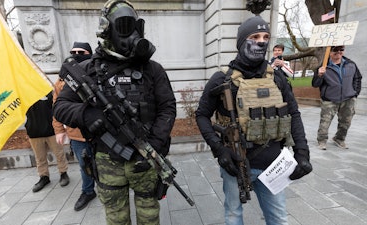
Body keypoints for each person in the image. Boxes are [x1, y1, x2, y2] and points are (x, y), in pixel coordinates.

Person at [53, 0, 176, 224]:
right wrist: (85, 114)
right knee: (116, 219)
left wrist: (156, 144)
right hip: (106, 158)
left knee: (149, 216)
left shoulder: (152, 69)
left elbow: (168, 107)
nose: (132, 34)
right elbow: (60, 107)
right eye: (124, 26)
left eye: (135, 26)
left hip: (145, 158)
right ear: (107, 29)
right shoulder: (87, 70)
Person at [196, 16, 312, 225]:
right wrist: (219, 150)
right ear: (241, 42)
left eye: (266, 37)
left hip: (274, 166)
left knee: (279, 219)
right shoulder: (221, 79)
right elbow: (202, 115)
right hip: (236, 163)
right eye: (255, 36)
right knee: (233, 216)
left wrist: (302, 152)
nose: (261, 41)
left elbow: (294, 113)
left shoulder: (277, 78)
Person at [52, 41, 96, 211]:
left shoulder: (96, 72)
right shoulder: (62, 80)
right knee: (85, 166)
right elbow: (56, 106)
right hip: (76, 133)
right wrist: (59, 130)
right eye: (73, 51)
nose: (76, 54)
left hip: (100, 131)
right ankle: (88, 191)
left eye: (81, 52)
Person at [312, 45, 362, 150]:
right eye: (335, 50)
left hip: (348, 99)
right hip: (330, 99)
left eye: (341, 50)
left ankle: (339, 139)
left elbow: (357, 78)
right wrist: (319, 75)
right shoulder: (323, 67)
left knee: (346, 122)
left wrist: (355, 93)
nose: (339, 52)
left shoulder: (351, 64)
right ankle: (322, 141)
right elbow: (315, 84)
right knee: (325, 122)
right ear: (329, 52)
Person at [26, 91, 70, 192]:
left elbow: (56, 106)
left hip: (51, 130)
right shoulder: (25, 92)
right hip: (34, 131)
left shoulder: (47, 91)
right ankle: (44, 177)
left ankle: (63, 173)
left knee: (59, 154)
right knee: (40, 158)